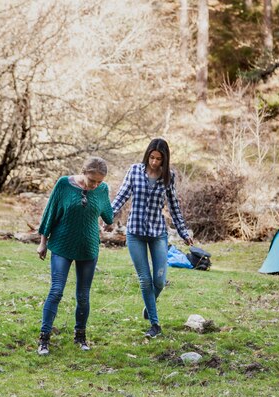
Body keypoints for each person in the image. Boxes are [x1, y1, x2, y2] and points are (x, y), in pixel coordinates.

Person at [111, 138, 194, 339]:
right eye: (152, 157)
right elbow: (122, 196)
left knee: (159, 280)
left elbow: (174, 205)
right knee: (145, 279)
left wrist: (184, 232)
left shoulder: (169, 177)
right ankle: (155, 324)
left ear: (165, 160)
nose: (154, 162)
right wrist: (108, 216)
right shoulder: (135, 171)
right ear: (147, 155)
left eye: (159, 159)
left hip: (158, 233)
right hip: (135, 233)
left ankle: (149, 308)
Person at [36, 156, 113, 356]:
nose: (95, 185)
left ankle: (80, 336)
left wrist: (108, 223)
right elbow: (50, 213)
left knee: (83, 295)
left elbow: (108, 215)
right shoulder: (64, 184)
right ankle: (44, 338)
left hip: (88, 248)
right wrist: (43, 242)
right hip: (62, 245)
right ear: (83, 172)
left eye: (99, 181)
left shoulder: (103, 190)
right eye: (92, 180)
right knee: (56, 291)